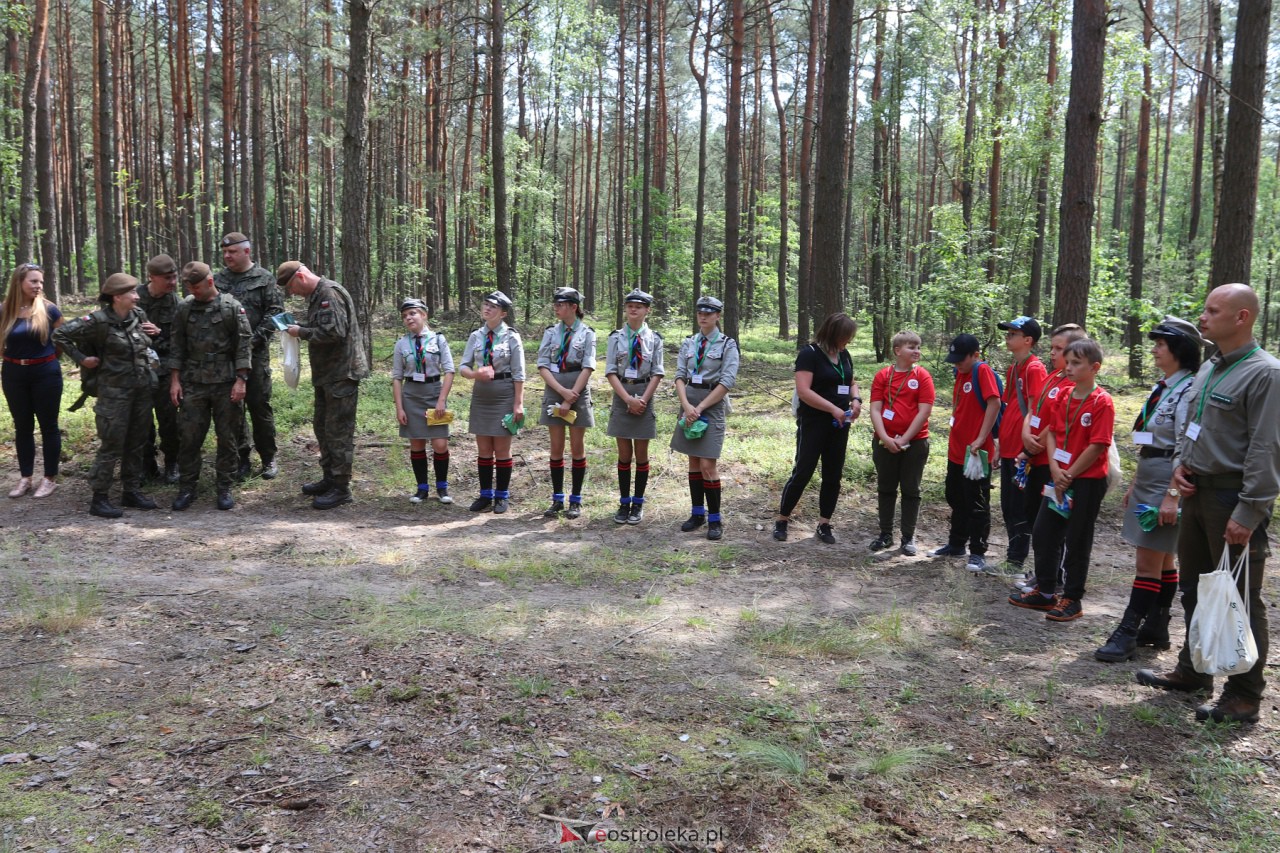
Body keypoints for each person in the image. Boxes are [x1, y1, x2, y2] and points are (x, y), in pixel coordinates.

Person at [1137, 283, 1280, 725]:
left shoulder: (1265, 373)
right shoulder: (1212, 367)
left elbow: (1266, 446)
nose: (1203, 317)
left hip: (1231, 497)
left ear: (1242, 318)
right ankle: (1195, 669)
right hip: (1197, 491)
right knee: (1197, 588)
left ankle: (1244, 694)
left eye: (1213, 311)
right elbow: (1191, 427)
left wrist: (1249, 510)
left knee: (1239, 595)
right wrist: (1180, 467)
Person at [1095, 317, 1202, 661]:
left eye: (1161, 344)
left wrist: (1172, 494)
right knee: (1163, 557)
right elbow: (1153, 439)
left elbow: (1187, 445)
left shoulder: (1188, 390)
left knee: (1146, 562)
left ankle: (1127, 631)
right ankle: (1156, 626)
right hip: (1151, 473)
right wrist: (1137, 483)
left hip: (1167, 479)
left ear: (1179, 350)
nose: (1154, 349)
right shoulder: (1166, 385)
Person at [1008, 338, 1115, 622]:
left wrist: (1070, 474)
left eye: (1076, 363)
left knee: (1078, 539)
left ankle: (1072, 598)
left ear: (1094, 368)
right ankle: (1045, 591)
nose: (1069, 368)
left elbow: (1098, 445)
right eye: (1067, 362)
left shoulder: (1101, 401)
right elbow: (1053, 432)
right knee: (1044, 531)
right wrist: (1056, 469)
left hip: (1086, 480)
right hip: (1060, 478)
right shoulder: (1065, 396)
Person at [54, 274, 163, 517]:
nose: (137, 296)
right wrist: (82, 359)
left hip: (141, 390)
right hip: (114, 395)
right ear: (117, 297)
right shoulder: (97, 321)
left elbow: (148, 345)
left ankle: (131, 491)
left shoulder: (138, 315)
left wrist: (156, 332)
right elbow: (59, 335)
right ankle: (99, 498)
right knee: (112, 445)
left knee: (137, 443)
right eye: (132, 293)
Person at [278, 261, 370, 510]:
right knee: (322, 427)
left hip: (341, 373)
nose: (293, 293)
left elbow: (334, 332)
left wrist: (302, 332)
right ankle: (330, 478)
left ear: (300, 276)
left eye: (292, 287)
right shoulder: (318, 295)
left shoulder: (329, 293)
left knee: (338, 431)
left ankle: (341, 487)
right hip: (327, 374)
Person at [168, 262, 252, 511]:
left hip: (226, 383)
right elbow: (177, 346)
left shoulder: (231, 307)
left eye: (197, 286)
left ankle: (224, 486)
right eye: (189, 287)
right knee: (189, 438)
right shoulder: (184, 309)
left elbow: (244, 346)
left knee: (227, 438)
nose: (193, 291)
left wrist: (241, 380)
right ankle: (187, 487)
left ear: (210, 281)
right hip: (194, 383)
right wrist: (174, 380)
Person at [774, 312, 861, 544]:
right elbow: (804, 391)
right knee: (803, 471)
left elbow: (851, 382)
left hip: (840, 424)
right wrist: (832, 408)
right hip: (814, 423)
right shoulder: (809, 354)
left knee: (833, 474)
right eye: (845, 337)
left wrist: (857, 400)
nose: (848, 342)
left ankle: (824, 523)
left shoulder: (844, 354)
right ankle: (782, 519)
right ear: (834, 334)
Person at [1012, 323, 1087, 592]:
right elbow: (1033, 409)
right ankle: (1043, 572)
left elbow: (1057, 423)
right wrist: (1025, 436)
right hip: (1034, 458)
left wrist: (1035, 444)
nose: (1053, 353)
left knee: (1052, 527)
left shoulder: (1074, 383)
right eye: (1052, 347)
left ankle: (1054, 577)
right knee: (1036, 521)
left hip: (1052, 463)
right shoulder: (1051, 376)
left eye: (1060, 348)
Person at [215, 231, 283, 479]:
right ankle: (241, 457)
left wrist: (250, 342)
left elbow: (275, 314)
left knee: (259, 406)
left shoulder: (265, 278)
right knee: (233, 409)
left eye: (232, 252)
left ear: (246, 251)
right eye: (224, 252)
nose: (227, 256)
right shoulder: (218, 279)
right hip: (226, 357)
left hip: (256, 355)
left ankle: (268, 459)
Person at [672, 295, 740, 541]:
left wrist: (698, 408)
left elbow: (727, 381)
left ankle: (715, 518)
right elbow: (679, 376)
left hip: (710, 407)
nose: (703, 316)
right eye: (700, 312)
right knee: (693, 463)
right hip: (688, 405)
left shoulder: (727, 345)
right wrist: (686, 406)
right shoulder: (689, 343)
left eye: (709, 313)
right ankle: (697, 513)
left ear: (718, 316)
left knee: (708, 465)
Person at [932, 333, 1000, 571]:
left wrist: (982, 438)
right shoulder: (959, 374)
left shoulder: (982, 371)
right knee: (955, 496)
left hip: (976, 452)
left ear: (975, 355)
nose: (957, 363)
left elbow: (994, 403)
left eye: (962, 359)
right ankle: (956, 543)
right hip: (957, 450)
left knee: (977, 501)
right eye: (955, 359)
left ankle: (978, 551)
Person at [868, 329, 934, 555]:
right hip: (884, 442)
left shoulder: (922, 376)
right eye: (911, 347)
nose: (917, 351)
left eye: (918, 347)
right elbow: (875, 409)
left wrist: (904, 439)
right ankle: (885, 534)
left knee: (911, 489)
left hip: (914, 443)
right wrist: (885, 438)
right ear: (897, 351)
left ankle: (908, 537)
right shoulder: (882, 376)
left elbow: (924, 411)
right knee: (886, 488)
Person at [2, 262, 63, 499]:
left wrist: (46, 361)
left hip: (45, 374)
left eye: (40, 282)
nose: (38, 286)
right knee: (22, 426)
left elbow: (62, 342)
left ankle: (49, 478)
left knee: (49, 426)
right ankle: (25, 478)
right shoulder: (4, 310)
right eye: (33, 281)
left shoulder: (50, 310)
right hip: (13, 374)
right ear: (19, 282)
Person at [536, 287, 596, 518]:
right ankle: (557, 498)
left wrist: (572, 395)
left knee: (577, 447)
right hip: (555, 387)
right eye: (556, 304)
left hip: (578, 389)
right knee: (556, 446)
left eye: (561, 304)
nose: (556, 308)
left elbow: (588, 366)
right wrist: (561, 391)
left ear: (574, 307)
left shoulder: (587, 333)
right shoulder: (551, 332)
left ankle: (576, 499)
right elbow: (542, 364)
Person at [605, 289, 663, 524]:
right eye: (630, 305)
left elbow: (658, 372)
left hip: (644, 395)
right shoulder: (615, 337)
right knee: (623, 454)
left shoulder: (655, 339)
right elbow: (610, 371)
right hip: (622, 396)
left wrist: (642, 400)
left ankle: (638, 503)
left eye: (639, 306)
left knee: (641, 454)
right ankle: (623, 502)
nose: (633, 309)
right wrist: (627, 399)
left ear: (647, 310)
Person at [995, 316, 1048, 574]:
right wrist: (998, 443)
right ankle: (1013, 558)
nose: (1008, 337)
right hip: (1007, 447)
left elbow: (1037, 408)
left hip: (1021, 452)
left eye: (1013, 334)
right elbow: (1009, 407)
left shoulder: (1034, 369)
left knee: (1018, 507)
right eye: (1008, 333)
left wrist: (1026, 451)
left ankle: (1016, 561)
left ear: (1028, 340)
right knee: (1008, 505)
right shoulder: (1014, 367)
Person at [391, 298, 455, 504]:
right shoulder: (402, 343)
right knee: (416, 443)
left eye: (413, 314)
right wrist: (399, 407)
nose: (408, 318)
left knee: (440, 444)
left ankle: (442, 488)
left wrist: (441, 401)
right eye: (405, 316)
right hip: (411, 396)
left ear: (424, 315)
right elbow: (397, 378)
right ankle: (422, 489)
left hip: (434, 392)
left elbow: (450, 371)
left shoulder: (438, 340)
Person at [137, 254, 182, 483]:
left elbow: (179, 342)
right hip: (139, 371)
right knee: (142, 421)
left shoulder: (175, 302)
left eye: (174, 277)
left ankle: (172, 463)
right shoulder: (134, 297)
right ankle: (148, 464)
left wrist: (159, 333)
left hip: (164, 370)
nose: (173, 282)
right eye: (167, 278)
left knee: (169, 421)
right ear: (152, 277)